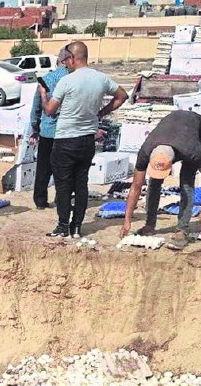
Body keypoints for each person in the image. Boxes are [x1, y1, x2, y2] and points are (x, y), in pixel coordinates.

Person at [42, 41, 128, 238]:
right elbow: (122, 96)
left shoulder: (66, 81)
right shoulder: (101, 78)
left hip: (65, 139)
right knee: (81, 183)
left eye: (65, 61)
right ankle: (77, 227)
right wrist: (101, 113)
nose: (65, 65)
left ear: (72, 58)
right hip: (87, 139)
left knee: (63, 185)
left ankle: (63, 226)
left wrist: (43, 96)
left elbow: (50, 111)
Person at [120, 110, 201, 250]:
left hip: (194, 129)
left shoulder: (193, 151)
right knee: (154, 183)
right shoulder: (145, 151)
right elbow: (136, 187)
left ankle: (182, 229)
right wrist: (127, 221)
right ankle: (149, 225)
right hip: (170, 128)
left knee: (187, 182)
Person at [29, 46, 71, 209]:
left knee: (43, 167)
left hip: (47, 130)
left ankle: (40, 200)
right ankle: (62, 199)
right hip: (67, 131)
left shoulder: (46, 79)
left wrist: (35, 127)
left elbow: (36, 106)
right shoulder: (73, 80)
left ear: (58, 61)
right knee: (64, 169)